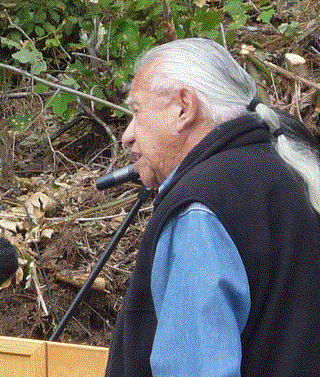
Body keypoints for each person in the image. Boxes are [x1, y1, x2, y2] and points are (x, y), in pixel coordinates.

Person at [105, 38, 320, 377]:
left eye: (136, 111)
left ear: (183, 108)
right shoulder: (291, 174)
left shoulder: (201, 208)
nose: (127, 136)